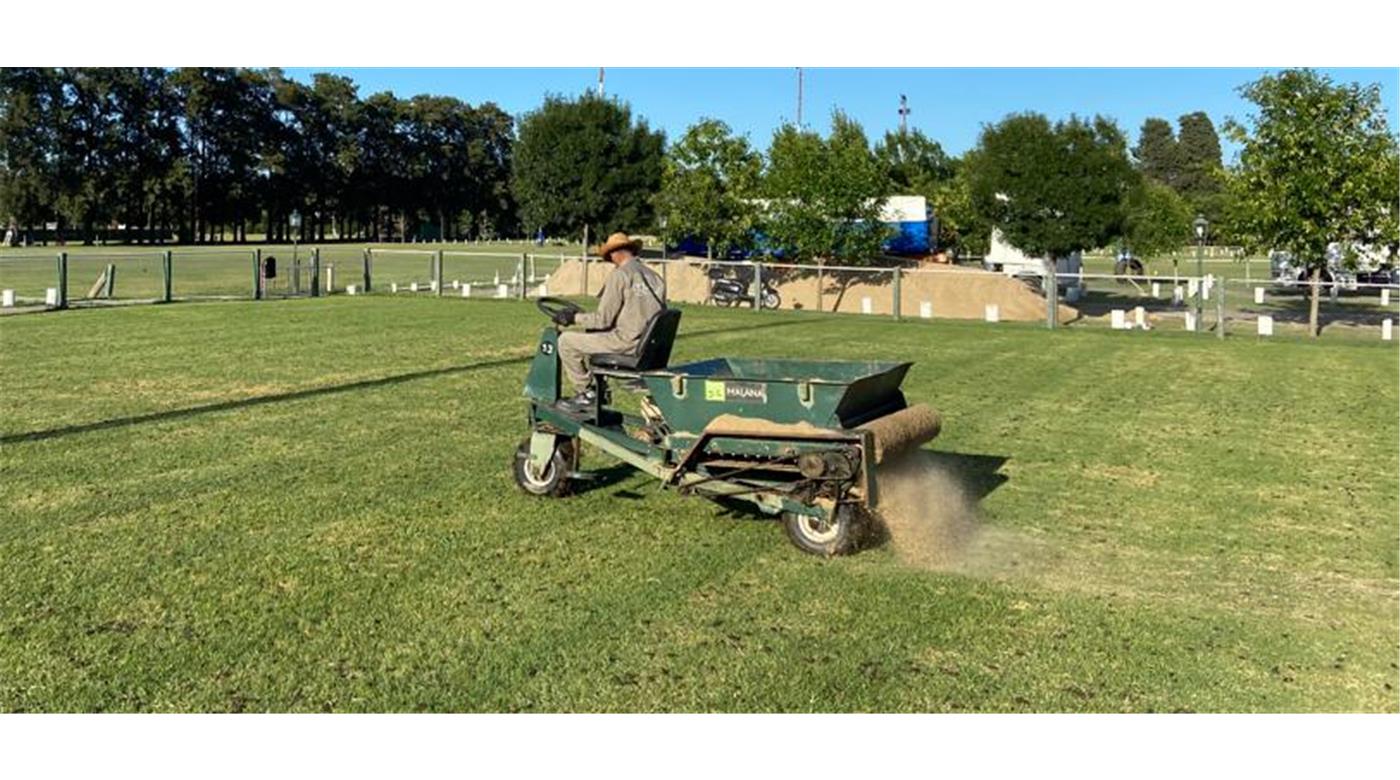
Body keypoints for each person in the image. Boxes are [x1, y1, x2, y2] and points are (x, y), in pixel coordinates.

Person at [553, 232, 666, 412]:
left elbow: (603, 320)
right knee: (592, 337)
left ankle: (587, 393)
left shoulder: (620, 276)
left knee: (566, 342)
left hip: (625, 343)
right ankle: (600, 390)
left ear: (616, 253)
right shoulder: (655, 278)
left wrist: (573, 318)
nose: (611, 260)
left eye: (610, 255)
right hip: (649, 347)